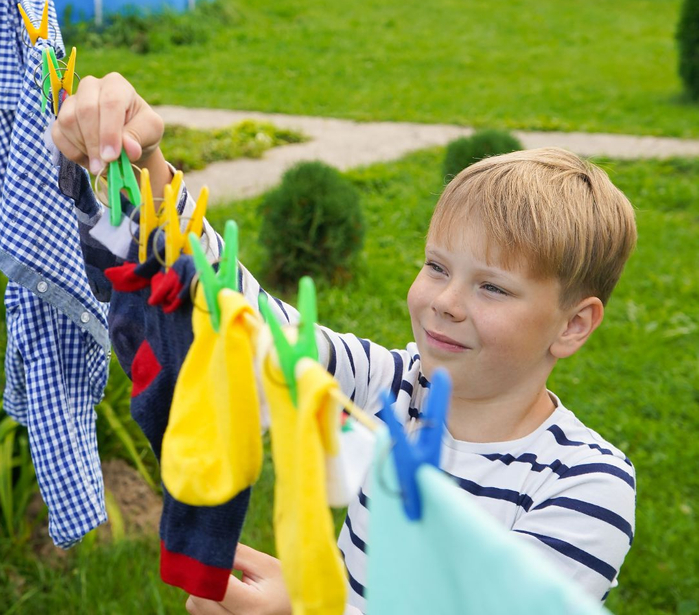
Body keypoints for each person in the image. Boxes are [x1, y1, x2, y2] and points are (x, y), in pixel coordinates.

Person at [52, 74, 637, 615]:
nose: (447, 302)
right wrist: (147, 158)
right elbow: (250, 324)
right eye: (436, 266)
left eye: (492, 286)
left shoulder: (585, 485)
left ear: (573, 325)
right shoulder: (393, 388)